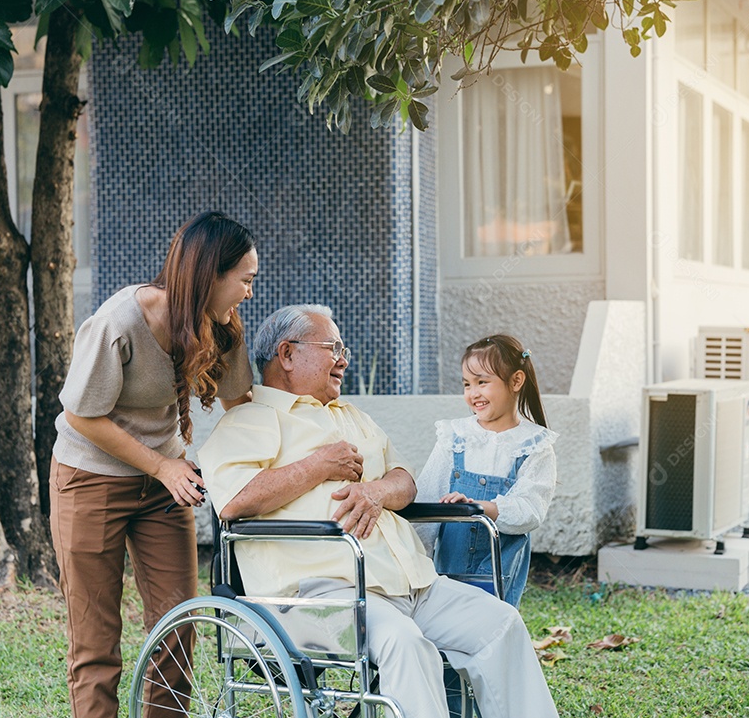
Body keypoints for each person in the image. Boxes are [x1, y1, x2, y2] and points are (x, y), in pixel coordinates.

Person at [198, 305, 559, 718]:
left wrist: (376, 491)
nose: (344, 359)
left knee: (501, 625)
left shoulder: (352, 416)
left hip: (412, 583)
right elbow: (232, 501)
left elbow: (404, 479)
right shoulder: (250, 421)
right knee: (405, 644)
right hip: (324, 596)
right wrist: (318, 466)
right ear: (287, 354)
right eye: (333, 347)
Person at [50, 211, 258, 718]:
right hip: (90, 480)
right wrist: (163, 467)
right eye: (246, 280)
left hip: (166, 486)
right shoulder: (119, 322)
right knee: (96, 643)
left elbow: (241, 402)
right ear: (211, 275)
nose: (250, 292)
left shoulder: (219, 327)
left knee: (177, 628)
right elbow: (80, 415)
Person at [416, 334, 558, 608]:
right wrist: (416, 559)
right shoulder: (454, 436)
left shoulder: (533, 445)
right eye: (467, 384)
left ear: (516, 381)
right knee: (445, 627)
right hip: (449, 568)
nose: (473, 393)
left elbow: (530, 510)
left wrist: (481, 508)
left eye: (482, 382)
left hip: (498, 568)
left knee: (492, 630)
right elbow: (427, 499)